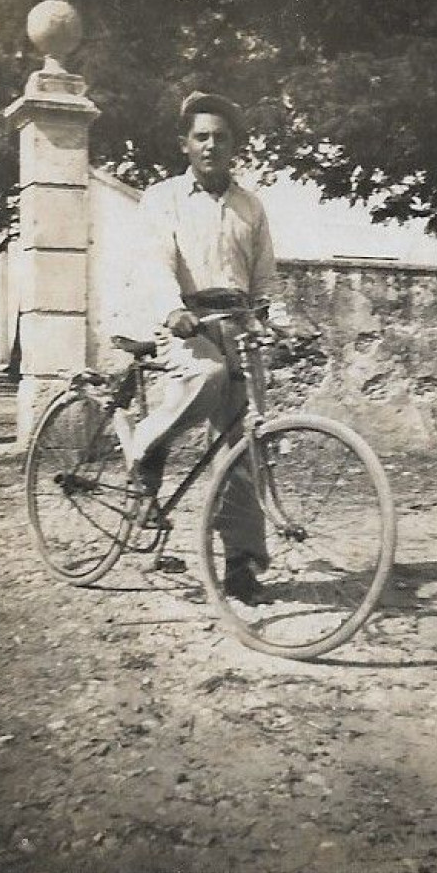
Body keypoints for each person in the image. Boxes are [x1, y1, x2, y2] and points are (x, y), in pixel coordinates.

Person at [125, 91, 293, 604]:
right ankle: (143, 449)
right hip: (184, 325)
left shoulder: (250, 206)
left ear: (235, 146)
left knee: (244, 449)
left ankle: (241, 565)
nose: (211, 145)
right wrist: (173, 310)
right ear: (185, 144)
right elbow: (155, 263)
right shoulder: (164, 198)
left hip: (238, 327)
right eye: (202, 137)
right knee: (207, 376)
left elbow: (265, 279)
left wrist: (283, 324)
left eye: (221, 137)